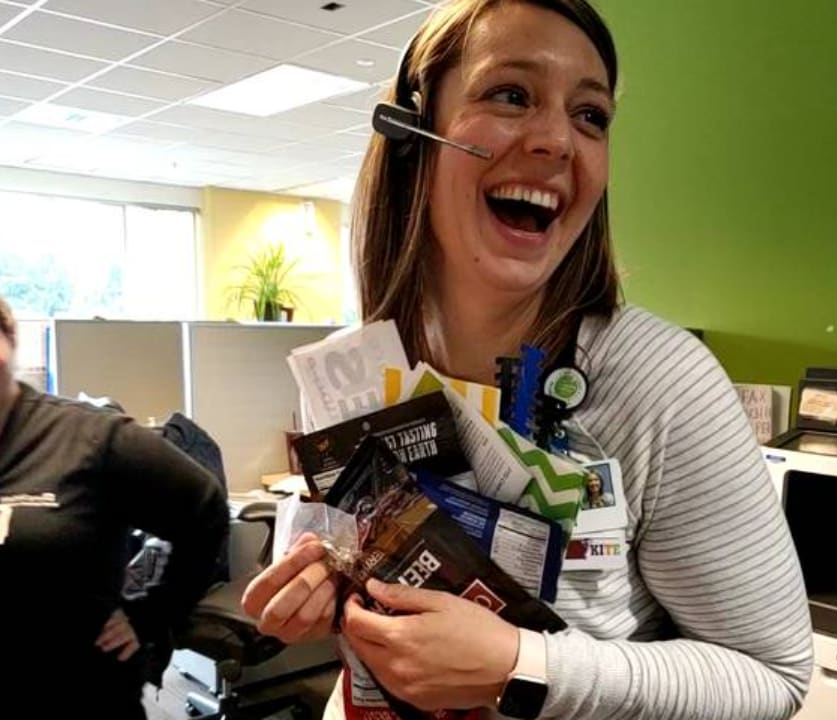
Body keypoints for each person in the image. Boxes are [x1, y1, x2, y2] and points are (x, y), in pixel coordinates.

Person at [242, 1, 813, 718]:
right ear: (414, 133)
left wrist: (523, 665)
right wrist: (320, 589)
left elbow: (773, 675)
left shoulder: (659, 383)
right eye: (509, 94)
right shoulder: (348, 375)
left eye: (590, 115)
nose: (556, 139)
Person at [0, 296, 229, 718]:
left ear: (10, 339)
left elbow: (206, 508)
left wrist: (151, 616)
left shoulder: (88, 438)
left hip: (81, 694)